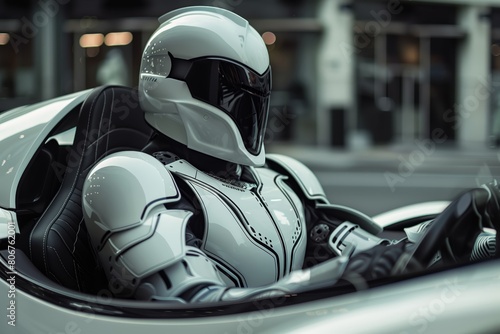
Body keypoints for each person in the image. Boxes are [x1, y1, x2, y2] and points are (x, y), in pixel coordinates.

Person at [81, 6, 498, 303]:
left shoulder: (282, 176)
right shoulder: (131, 178)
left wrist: (471, 239)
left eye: (255, 89)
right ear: (172, 81)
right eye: (228, 87)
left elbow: (365, 249)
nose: (247, 104)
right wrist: (339, 278)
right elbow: (192, 306)